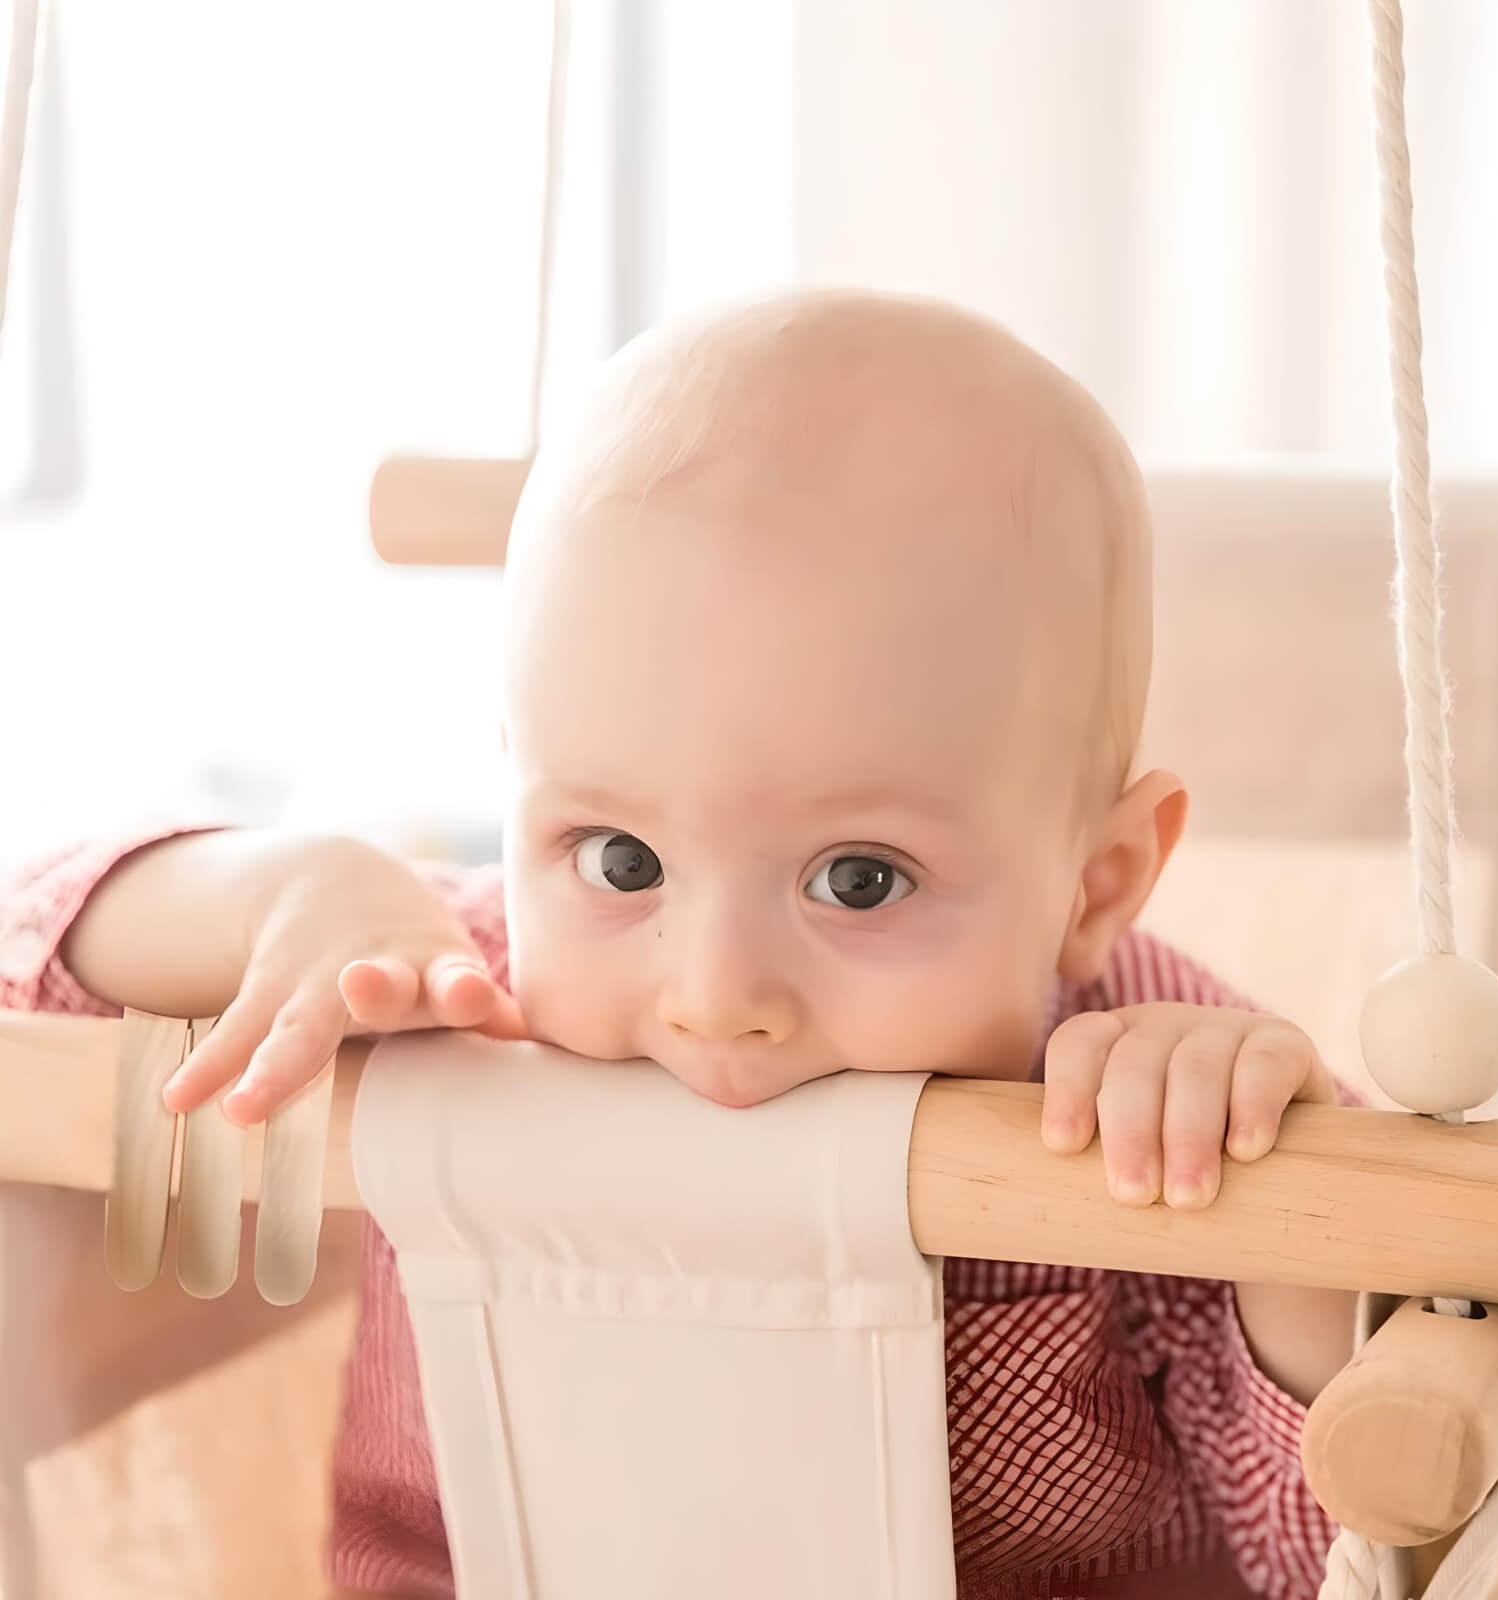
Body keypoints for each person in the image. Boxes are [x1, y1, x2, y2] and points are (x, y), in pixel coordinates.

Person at [0, 290, 1358, 1598]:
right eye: (623, 861)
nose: (716, 998)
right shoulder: (459, 991)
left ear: (1095, 881)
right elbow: (31, 972)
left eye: (860, 880)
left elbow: (1334, 1549)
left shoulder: (1134, 1086)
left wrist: (1288, 1224)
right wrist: (278, 895)